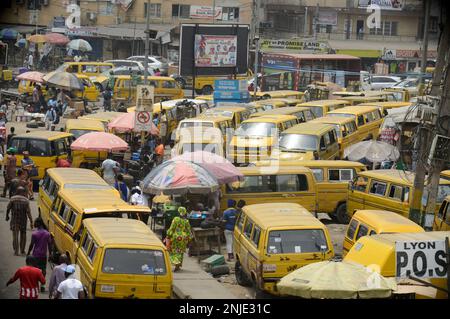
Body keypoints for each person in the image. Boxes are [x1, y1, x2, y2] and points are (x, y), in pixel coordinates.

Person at [6, 187, 33, 256]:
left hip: (14, 220)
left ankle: (16, 251)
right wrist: (31, 221)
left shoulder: (13, 199)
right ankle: (22, 250)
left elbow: (8, 208)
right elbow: (28, 212)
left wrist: (7, 216)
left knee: (15, 235)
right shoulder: (26, 200)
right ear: (23, 192)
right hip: (23, 220)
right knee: (23, 235)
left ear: (17, 191)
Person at [27, 217, 52, 291]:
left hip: (35, 255)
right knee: (43, 270)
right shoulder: (47, 234)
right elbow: (49, 245)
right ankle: (43, 285)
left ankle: (35, 284)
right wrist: (50, 254)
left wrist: (28, 252)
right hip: (43, 255)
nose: (34, 224)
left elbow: (31, 244)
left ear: (39, 223)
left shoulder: (34, 234)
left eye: (35, 223)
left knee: (35, 270)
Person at [166, 207, 193, 271]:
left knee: (174, 251)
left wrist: (168, 235)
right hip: (183, 238)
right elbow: (188, 231)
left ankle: (176, 262)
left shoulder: (175, 219)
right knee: (180, 252)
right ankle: (178, 266)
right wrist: (190, 238)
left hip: (176, 237)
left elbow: (172, 228)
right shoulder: (186, 221)